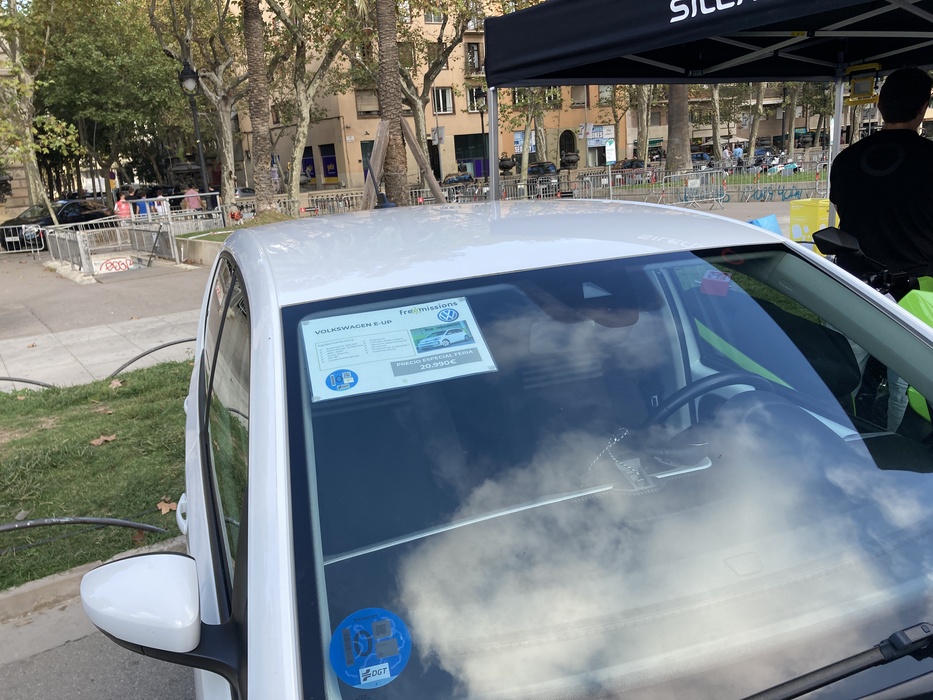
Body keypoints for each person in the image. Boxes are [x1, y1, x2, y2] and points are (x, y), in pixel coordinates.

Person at [829, 67, 933, 432]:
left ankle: (841, 435)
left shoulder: (847, 160)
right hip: (917, 290)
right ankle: (895, 446)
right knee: (909, 384)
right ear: (922, 108)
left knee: (842, 374)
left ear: (880, 105)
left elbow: (842, 209)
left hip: (853, 283)